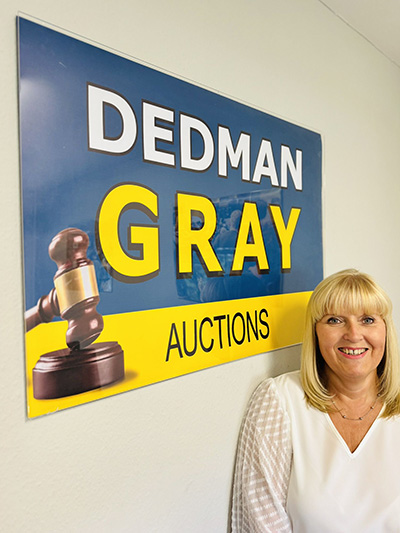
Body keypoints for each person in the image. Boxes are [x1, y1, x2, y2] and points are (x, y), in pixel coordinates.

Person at [231, 269, 400, 532]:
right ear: (315, 333)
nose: (353, 334)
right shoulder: (279, 400)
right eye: (335, 320)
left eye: (368, 320)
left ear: (385, 331)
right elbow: (259, 522)